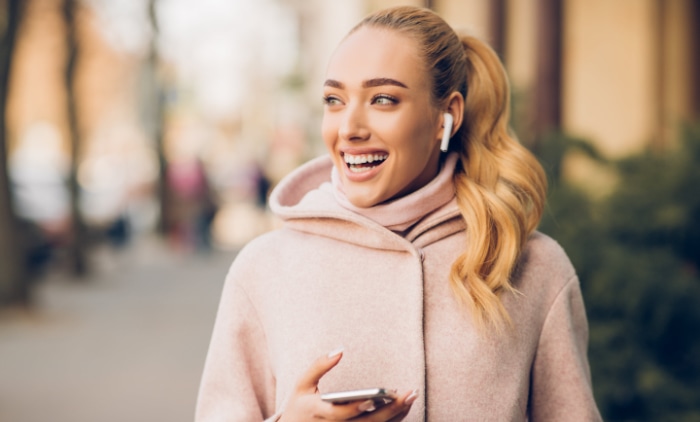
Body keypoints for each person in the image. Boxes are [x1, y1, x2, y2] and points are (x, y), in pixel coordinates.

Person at [195, 6, 602, 421]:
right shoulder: (264, 269)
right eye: (334, 100)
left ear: (448, 115)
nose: (349, 127)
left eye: (383, 99)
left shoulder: (531, 265)